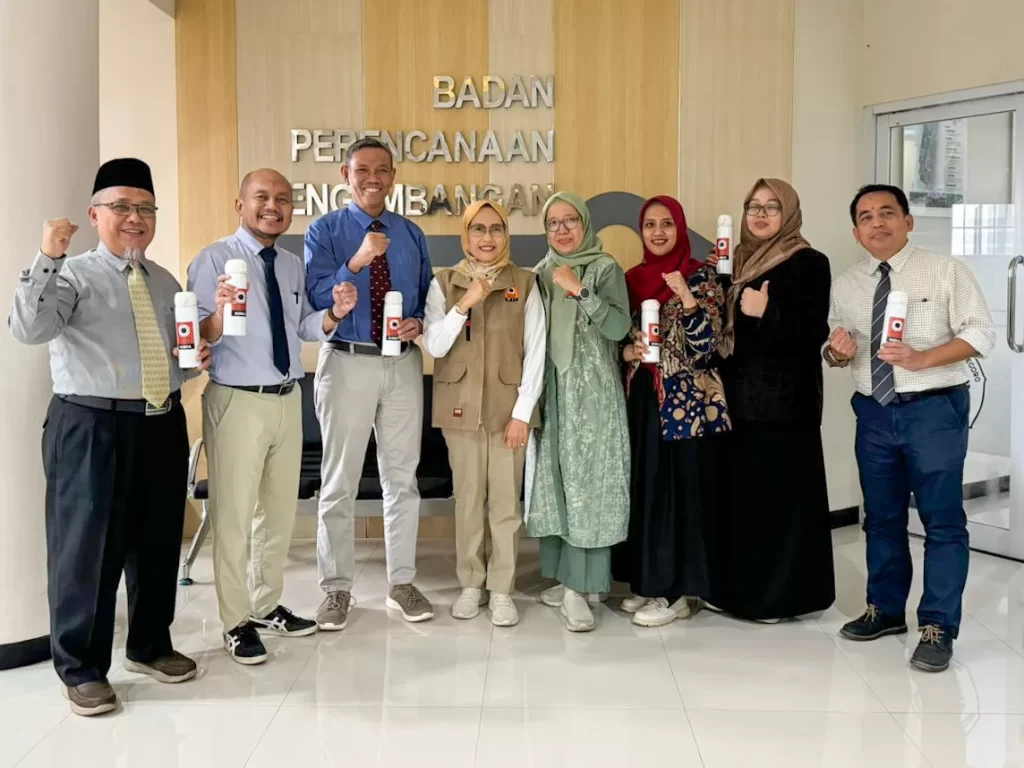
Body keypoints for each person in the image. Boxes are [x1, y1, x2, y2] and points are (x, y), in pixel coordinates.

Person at [9, 158, 211, 717]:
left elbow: (174, 357)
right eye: (121, 207)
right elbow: (29, 329)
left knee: (158, 540)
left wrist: (196, 357)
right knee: (86, 549)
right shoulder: (71, 274)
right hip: (90, 425)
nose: (135, 218)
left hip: (160, 420)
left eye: (145, 208)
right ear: (95, 214)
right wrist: (47, 256)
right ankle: (82, 669)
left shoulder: (164, 281)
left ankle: (149, 645)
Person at [188, 169, 358, 664]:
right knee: (234, 517)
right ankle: (235, 620)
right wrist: (218, 314)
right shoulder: (213, 259)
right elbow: (197, 333)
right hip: (237, 400)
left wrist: (335, 314)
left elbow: (302, 326)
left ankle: (264, 604)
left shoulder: (289, 264)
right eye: (262, 197)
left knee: (278, 514)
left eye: (283, 199)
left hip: (287, 397)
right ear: (239, 205)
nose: (273, 206)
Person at [829, 184, 995, 672]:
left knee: (942, 521)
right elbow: (836, 344)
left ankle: (938, 626)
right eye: (865, 216)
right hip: (874, 411)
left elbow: (980, 333)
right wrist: (834, 352)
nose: (876, 222)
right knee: (881, 517)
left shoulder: (945, 271)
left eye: (886, 212)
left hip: (933, 409)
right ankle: (884, 610)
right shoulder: (848, 283)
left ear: (908, 221)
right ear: (856, 232)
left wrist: (924, 358)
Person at [304, 138, 434, 627]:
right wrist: (356, 261)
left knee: (402, 478)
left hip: (402, 364)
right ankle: (336, 589)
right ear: (346, 174)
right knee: (339, 481)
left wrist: (419, 322)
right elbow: (317, 296)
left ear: (393, 177)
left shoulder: (411, 233)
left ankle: (402, 583)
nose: (372, 178)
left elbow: (426, 296)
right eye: (363, 170)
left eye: (382, 170)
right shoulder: (325, 231)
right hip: (347, 360)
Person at [709, 178, 835, 622]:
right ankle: (736, 593)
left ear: (789, 214)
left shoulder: (808, 262)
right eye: (753, 206)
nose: (760, 215)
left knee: (777, 504)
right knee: (742, 501)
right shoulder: (734, 261)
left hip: (782, 406)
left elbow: (812, 332)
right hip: (735, 401)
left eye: (771, 207)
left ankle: (778, 599)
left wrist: (768, 312)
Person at [422, 201, 545, 627]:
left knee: (506, 504)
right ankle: (471, 584)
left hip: (509, 412)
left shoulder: (525, 283)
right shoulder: (444, 282)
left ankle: (502, 589)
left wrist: (522, 414)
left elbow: (536, 351)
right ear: (466, 234)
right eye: (478, 229)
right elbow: (434, 345)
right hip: (460, 410)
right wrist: (464, 304)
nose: (487, 238)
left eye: (496, 229)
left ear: (506, 234)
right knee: (469, 501)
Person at [612, 195, 730, 628]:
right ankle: (649, 580)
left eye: (666, 224)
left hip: (685, 404)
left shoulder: (700, 276)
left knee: (678, 492)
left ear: (679, 228)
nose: (658, 232)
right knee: (647, 487)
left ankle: (677, 592)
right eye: (650, 225)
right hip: (642, 396)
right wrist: (627, 351)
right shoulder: (631, 279)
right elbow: (615, 341)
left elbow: (709, 347)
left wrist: (686, 295)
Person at [527, 191, 631, 633]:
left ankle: (579, 587)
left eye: (570, 220)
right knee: (557, 484)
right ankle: (568, 579)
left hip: (593, 396)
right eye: (553, 223)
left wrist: (581, 290)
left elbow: (619, 327)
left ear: (585, 223)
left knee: (588, 484)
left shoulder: (605, 268)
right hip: (552, 393)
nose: (562, 229)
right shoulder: (538, 273)